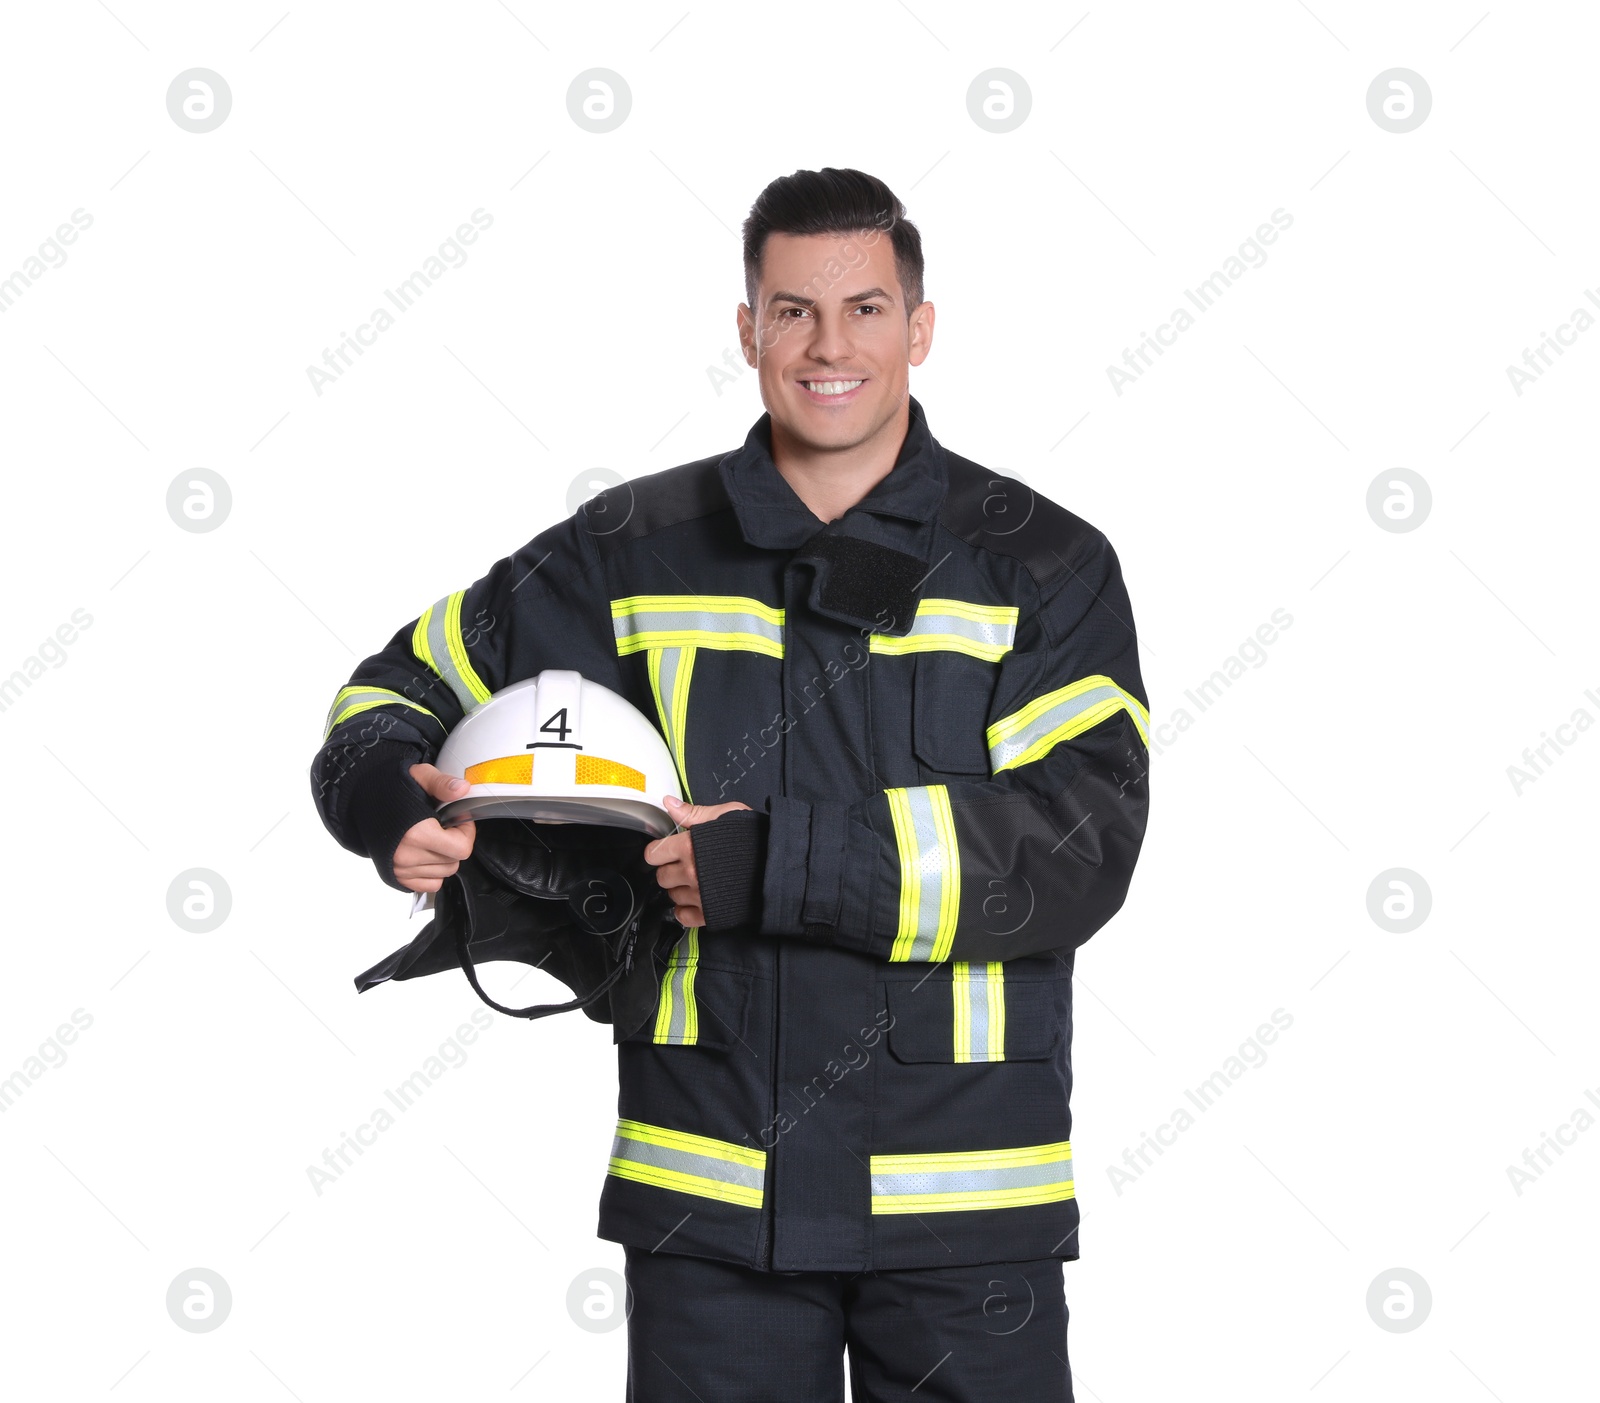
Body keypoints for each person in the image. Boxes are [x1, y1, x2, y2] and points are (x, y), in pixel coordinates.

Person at [310, 166, 1149, 1402]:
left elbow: (1080, 841)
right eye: (792, 310)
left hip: (963, 1211)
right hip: (713, 1199)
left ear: (919, 326)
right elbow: (389, 692)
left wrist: (776, 863)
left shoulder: (1040, 562)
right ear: (748, 328)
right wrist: (390, 798)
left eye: (864, 309)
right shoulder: (630, 549)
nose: (828, 346)